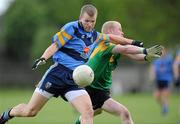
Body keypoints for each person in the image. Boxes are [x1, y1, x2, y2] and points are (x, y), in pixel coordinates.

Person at [0, 4, 145, 124]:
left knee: (88, 112)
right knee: (30, 111)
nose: (89, 24)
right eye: (87, 21)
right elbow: (55, 46)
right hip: (57, 74)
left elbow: (112, 37)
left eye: (93, 21)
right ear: (80, 18)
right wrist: (43, 58)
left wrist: (134, 42)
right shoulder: (71, 28)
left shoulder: (94, 36)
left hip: (74, 79)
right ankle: (7, 114)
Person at [75, 21, 163, 124]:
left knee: (95, 111)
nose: (123, 33)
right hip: (93, 88)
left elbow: (132, 54)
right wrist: (145, 50)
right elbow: (126, 49)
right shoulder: (105, 44)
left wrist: (146, 56)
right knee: (124, 113)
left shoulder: (116, 47)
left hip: (101, 89)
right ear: (111, 31)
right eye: (120, 30)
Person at [150, 48, 173, 115]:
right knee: (156, 96)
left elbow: (174, 67)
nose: (162, 53)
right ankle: (164, 106)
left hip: (166, 79)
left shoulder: (169, 60)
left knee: (165, 95)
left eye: (163, 51)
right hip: (158, 80)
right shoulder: (156, 61)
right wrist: (152, 76)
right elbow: (153, 69)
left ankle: (166, 107)